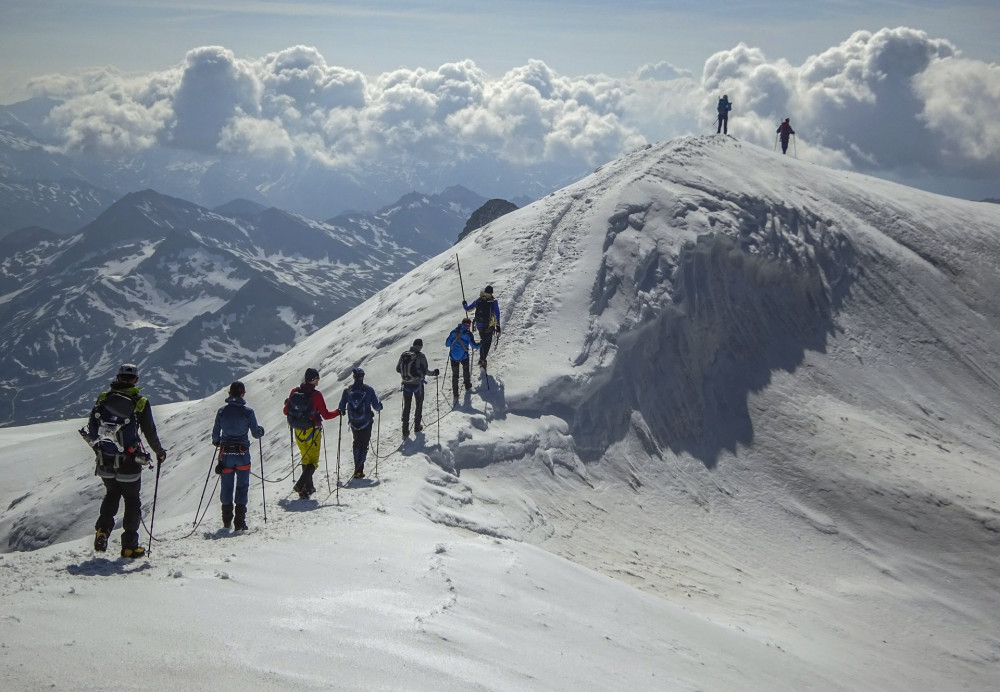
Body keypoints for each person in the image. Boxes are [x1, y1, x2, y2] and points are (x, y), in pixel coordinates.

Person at [84, 363, 166, 559]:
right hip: (129, 461)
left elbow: (92, 425)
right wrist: (159, 452)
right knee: (131, 500)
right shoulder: (140, 402)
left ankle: (102, 531)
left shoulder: (104, 398)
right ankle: (129, 547)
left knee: (112, 493)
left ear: (118, 377)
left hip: (105, 458)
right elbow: (149, 432)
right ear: (135, 380)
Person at [211, 381, 264, 530]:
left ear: (229, 394)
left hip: (226, 455)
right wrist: (261, 431)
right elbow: (255, 434)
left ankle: (226, 520)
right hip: (242, 455)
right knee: (242, 486)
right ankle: (240, 522)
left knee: (226, 486)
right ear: (243, 394)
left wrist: (218, 442)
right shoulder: (248, 412)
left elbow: (215, 436)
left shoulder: (222, 411)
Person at [284, 367, 340, 499]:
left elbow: (286, 411)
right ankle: (300, 485)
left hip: (297, 431)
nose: (318, 382)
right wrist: (338, 412)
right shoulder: (316, 395)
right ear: (313, 380)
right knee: (313, 461)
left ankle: (307, 489)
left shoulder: (294, 391)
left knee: (305, 458)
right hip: (312, 432)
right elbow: (325, 415)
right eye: (317, 379)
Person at [338, 368, 383, 479]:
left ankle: (357, 469)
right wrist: (380, 407)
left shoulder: (347, 391)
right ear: (363, 376)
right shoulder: (369, 390)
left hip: (354, 423)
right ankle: (359, 470)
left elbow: (341, 407)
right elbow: (376, 406)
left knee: (356, 443)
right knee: (364, 445)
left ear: (353, 377)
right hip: (366, 422)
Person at [396, 339, 438, 437]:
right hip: (418, 385)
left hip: (406, 384)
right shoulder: (421, 356)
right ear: (420, 346)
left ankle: (405, 429)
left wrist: (407, 375)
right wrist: (434, 373)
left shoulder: (404, 355)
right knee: (418, 404)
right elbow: (426, 371)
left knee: (407, 406)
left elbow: (398, 369)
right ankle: (417, 426)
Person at [463, 285, 501, 369]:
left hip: (479, 325)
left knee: (483, 341)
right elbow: (497, 314)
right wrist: (498, 325)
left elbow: (468, 309)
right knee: (487, 343)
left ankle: (482, 359)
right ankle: (482, 360)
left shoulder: (479, 300)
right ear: (491, 292)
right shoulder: (493, 302)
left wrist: (464, 304)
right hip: (489, 326)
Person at [445, 318, 480, 402]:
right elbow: (474, 346)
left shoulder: (453, 332)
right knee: (466, 371)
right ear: (465, 324)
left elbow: (447, 344)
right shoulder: (468, 334)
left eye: (469, 325)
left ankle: (455, 393)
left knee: (455, 375)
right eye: (468, 325)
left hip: (453, 357)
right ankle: (467, 385)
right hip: (464, 356)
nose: (468, 326)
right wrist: (480, 344)